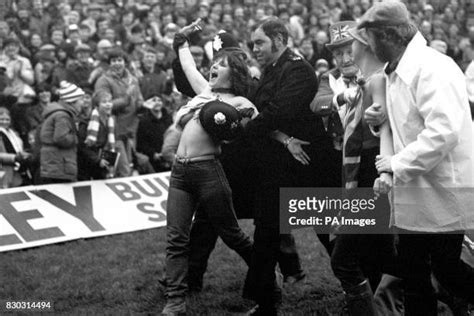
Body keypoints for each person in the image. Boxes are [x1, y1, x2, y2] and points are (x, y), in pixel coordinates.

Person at [359, 2, 474, 315]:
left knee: (446, 269)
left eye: (370, 37)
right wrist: (376, 118)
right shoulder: (395, 71)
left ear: (390, 35)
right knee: (413, 271)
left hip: (443, 189)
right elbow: (404, 124)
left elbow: (443, 131)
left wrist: (396, 164)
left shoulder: (431, 68)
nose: (368, 46)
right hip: (418, 192)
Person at [161, 37, 258, 315]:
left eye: (222, 65)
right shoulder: (204, 91)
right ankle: (175, 299)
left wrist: (233, 121)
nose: (214, 67)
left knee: (232, 235)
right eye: (214, 64)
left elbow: (247, 123)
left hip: (208, 171)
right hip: (180, 172)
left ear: (234, 72)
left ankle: (266, 276)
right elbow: (189, 67)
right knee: (176, 238)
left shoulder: (241, 101)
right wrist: (181, 44)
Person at [242, 18, 331, 315]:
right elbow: (262, 113)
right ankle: (266, 301)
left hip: (308, 166)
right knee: (266, 231)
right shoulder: (271, 71)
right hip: (277, 166)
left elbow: (275, 112)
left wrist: (246, 127)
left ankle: (372, 283)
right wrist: (280, 137)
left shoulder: (299, 69)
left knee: (331, 229)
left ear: (279, 40)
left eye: (260, 43)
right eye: (253, 44)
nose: (255, 49)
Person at [94, 48, 144, 177]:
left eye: (120, 60)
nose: (117, 63)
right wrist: (126, 99)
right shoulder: (103, 81)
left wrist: (142, 105)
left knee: (131, 165)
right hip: (113, 132)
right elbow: (104, 105)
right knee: (119, 170)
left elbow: (139, 99)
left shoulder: (133, 80)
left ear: (125, 62)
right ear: (109, 63)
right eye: (114, 60)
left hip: (130, 130)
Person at [39, 81, 84, 184]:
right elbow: (61, 138)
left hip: (55, 165)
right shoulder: (62, 115)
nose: (83, 102)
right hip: (59, 166)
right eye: (80, 99)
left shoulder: (58, 113)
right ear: (72, 101)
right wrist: (76, 138)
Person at [77, 91, 116, 180]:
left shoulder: (110, 121)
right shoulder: (86, 122)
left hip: (100, 165)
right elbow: (82, 146)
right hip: (85, 165)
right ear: (97, 106)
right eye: (104, 102)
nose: (108, 104)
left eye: (110, 101)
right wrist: (98, 160)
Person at [0, 106, 31, 188]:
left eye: (7, 119)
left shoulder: (14, 133)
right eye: (1, 119)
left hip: (18, 169)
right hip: (4, 170)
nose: (4, 122)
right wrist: (14, 157)